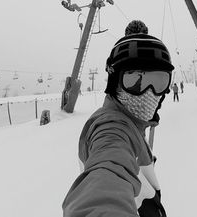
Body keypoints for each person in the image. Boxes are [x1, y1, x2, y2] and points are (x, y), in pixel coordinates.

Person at [62, 20, 173, 217]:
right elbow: (107, 174)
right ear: (114, 82)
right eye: (134, 79)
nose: (148, 92)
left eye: (159, 80)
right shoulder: (111, 129)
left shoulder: (131, 120)